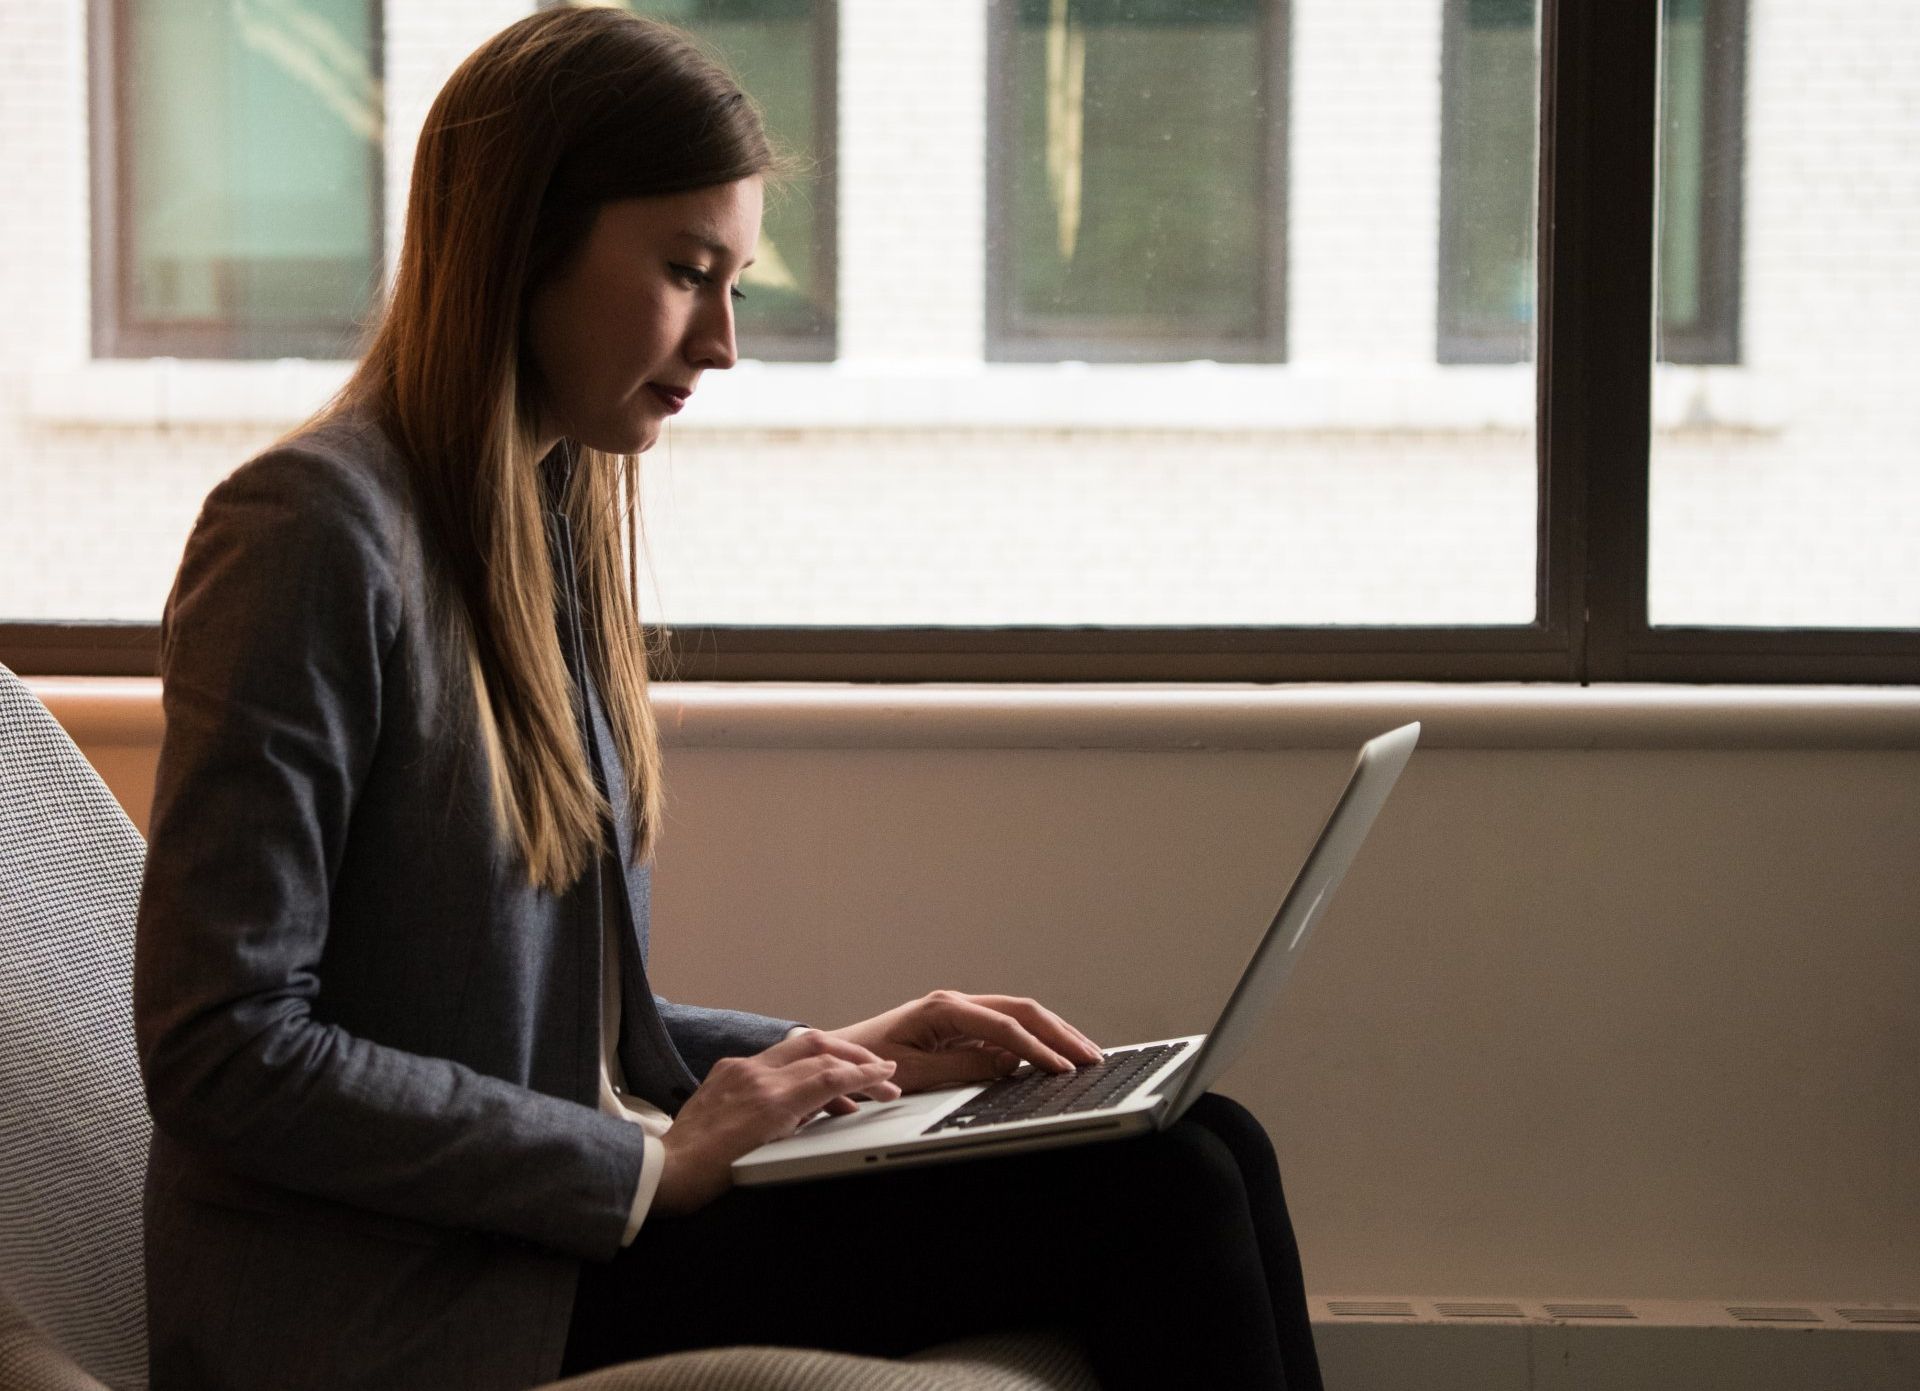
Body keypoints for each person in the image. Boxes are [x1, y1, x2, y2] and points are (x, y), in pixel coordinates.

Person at [132, 9, 1324, 1390]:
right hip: (393, 1300)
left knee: (1204, 1138)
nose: (725, 344)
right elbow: (224, 1050)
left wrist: (845, 1064)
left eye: (738, 282)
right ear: (524, 244)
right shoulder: (307, 535)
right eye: (688, 272)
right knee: (1160, 1195)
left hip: (542, 1235)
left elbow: (549, 1030)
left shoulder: (541, 517)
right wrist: (650, 1159)